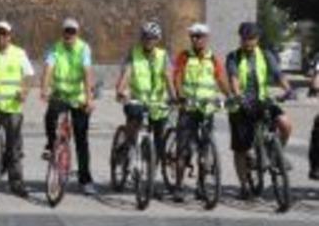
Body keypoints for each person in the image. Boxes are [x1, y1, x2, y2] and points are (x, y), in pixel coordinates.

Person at [226, 21, 295, 199]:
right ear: (240, 39)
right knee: (241, 149)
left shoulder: (265, 55)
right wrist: (238, 95)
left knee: (285, 124)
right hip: (241, 105)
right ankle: (244, 187)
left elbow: (277, 74)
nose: (248, 42)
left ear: (257, 39)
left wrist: (288, 89)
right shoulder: (233, 56)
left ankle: (275, 155)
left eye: (252, 38)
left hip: (262, 101)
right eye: (245, 38)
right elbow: (233, 78)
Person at [171, 22, 230, 202]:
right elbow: (177, 77)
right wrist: (180, 95)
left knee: (205, 150)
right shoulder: (184, 56)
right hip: (188, 108)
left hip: (206, 109)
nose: (196, 39)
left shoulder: (213, 59)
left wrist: (231, 96)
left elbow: (220, 80)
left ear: (206, 38)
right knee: (183, 149)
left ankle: (201, 186)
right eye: (193, 36)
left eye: (200, 36)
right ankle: (179, 186)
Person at [41, 17, 97, 195]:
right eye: (66, 31)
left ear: (77, 33)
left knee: (81, 139)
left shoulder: (83, 48)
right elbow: (48, 68)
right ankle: (51, 144)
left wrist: (89, 98)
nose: (69, 35)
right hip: (60, 94)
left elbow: (87, 72)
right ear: (62, 32)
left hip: (78, 97)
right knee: (50, 114)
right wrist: (44, 88)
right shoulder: (55, 48)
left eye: (72, 31)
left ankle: (85, 180)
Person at [0, 21, 34, 198]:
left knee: (14, 148)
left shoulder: (19, 53)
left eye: (5, 34)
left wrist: (24, 91)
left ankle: (16, 182)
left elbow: (28, 75)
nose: (2, 37)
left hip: (12, 108)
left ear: (10, 36)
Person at [115, 22, 175, 166]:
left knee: (159, 139)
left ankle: (151, 175)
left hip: (157, 103)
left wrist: (174, 97)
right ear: (141, 38)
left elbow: (168, 77)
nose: (148, 40)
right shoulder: (134, 53)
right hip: (138, 100)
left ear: (157, 39)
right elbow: (127, 74)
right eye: (146, 37)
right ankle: (126, 146)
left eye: (152, 37)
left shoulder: (163, 55)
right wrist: (121, 91)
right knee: (134, 122)